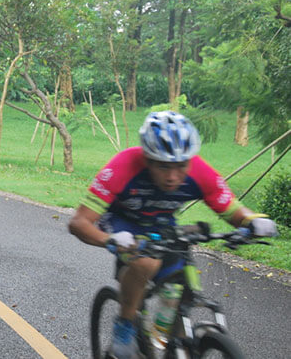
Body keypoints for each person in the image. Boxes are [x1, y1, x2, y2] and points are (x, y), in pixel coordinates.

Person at [68, 110, 277, 359]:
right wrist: (110, 240)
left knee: (181, 281)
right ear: (147, 158)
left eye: (181, 166)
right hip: (123, 221)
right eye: (163, 166)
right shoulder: (124, 166)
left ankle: (174, 341)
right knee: (147, 261)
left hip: (161, 225)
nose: (173, 176)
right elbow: (79, 222)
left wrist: (252, 221)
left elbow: (231, 209)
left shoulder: (199, 170)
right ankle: (125, 325)